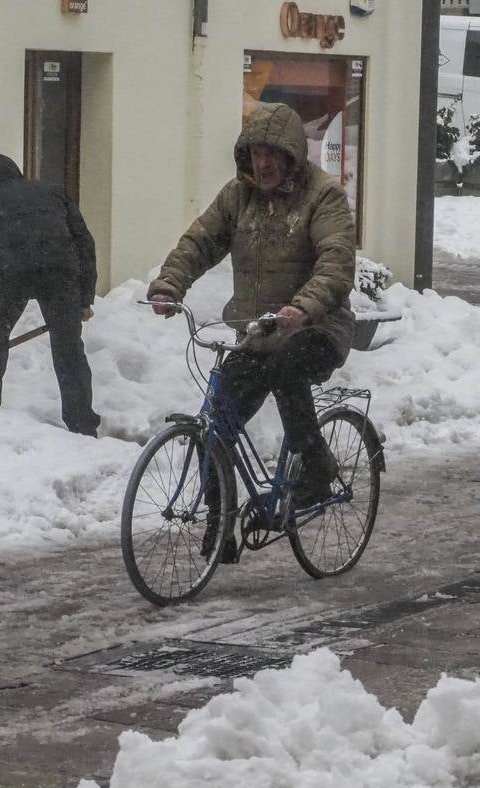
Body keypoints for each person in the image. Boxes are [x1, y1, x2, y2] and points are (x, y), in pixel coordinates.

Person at [148, 103, 357, 511]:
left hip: (316, 329)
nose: (263, 164)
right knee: (216, 423)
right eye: (256, 154)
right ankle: (218, 522)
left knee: (286, 368)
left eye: (272, 154)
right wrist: (170, 284)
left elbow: (337, 260)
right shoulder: (237, 197)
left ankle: (316, 470)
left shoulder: (322, 196)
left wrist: (304, 307)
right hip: (259, 333)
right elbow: (200, 241)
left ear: (291, 156)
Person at [0, 151, 100, 437]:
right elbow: (84, 244)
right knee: (68, 350)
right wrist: (84, 299)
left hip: (6, 274)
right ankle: (82, 424)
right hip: (57, 270)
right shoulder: (52, 193)